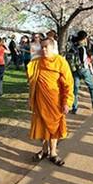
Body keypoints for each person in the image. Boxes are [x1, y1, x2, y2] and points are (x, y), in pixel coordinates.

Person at [27, 38, 74, 167]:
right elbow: (32, 81)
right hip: (40, 101)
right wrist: (30, 99)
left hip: (55, 101)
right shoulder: (37, 62)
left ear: (53, 48)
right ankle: (44, 150)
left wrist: (67, 102)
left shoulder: (60, 62)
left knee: (54, 128)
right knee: (42, 127)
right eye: (41, 47)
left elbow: (68, 84)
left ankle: (53, 153)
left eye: (46, 47)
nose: (43, 49)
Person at [67, 30, 93, 114]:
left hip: (74, 70)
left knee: (75, 89)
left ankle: (74, 107)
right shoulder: (83, 47)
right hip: (84, 69)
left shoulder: (73, 47)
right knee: (91, 86)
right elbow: (91, 56)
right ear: (84, 38)